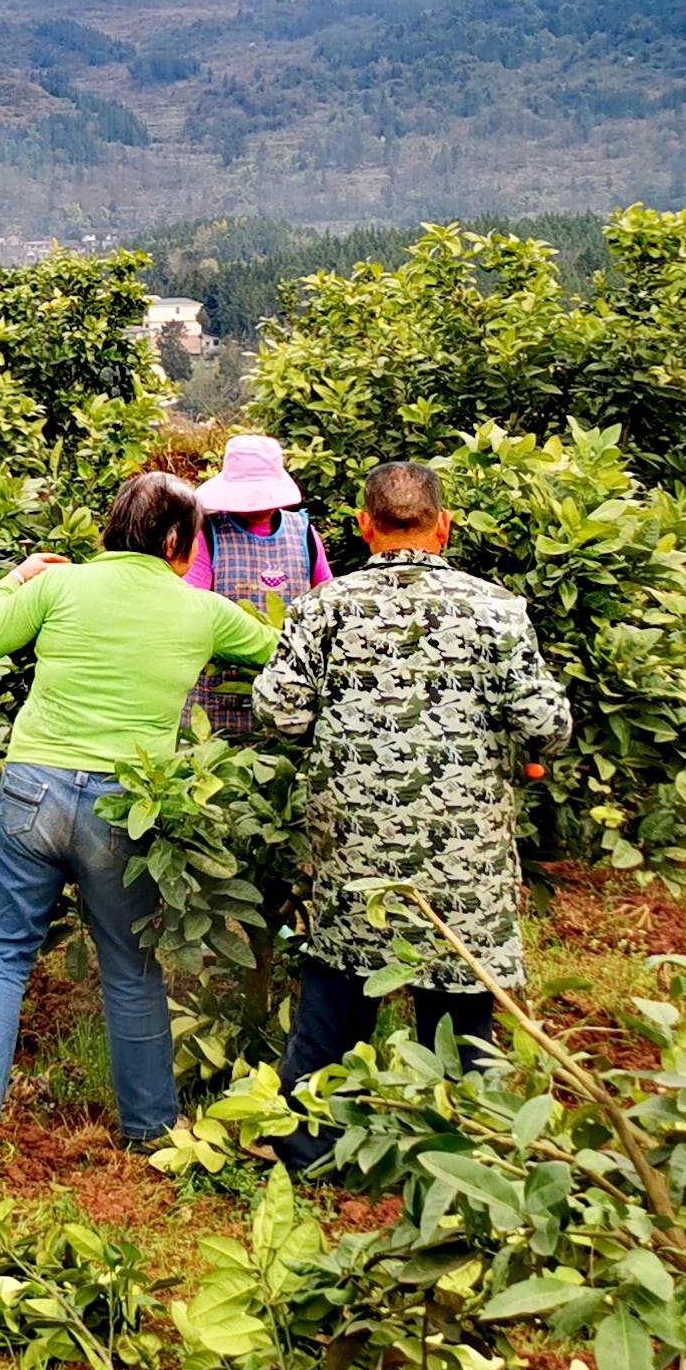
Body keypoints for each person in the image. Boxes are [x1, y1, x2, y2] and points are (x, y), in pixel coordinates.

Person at [0, 470, 287, 1157]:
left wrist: (20, 575)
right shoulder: (201, 610)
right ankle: (152, 1125)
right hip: (123, 804)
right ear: (178, 540)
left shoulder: (62, 584)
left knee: (4, 951)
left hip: (33, 786)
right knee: (130, 966)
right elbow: (283, 654)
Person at [251, 459, 570, 1173]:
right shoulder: (497, 609)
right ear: (444, 526)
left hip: (354, 854)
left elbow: (276, 710)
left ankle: (311, 1150)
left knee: (337, 992)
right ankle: (468, 1159)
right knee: (461, 1005)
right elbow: (545, 724)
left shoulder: (323, 608)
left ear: (364, 527)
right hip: (464, 861)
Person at [183, 434, 334, 741]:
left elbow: (326, 603)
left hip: (287, 700)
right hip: (215, 702)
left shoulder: (303, 533)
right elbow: (189, 608)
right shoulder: (207, 534)